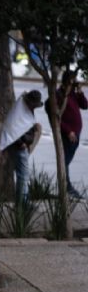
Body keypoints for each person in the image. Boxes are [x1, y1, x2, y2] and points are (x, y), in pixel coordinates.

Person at [0, 90, 43, 203]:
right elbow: (12, 129)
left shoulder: (24, 108)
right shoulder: (21, 110)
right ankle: (23, 204)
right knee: (23, 176)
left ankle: (23, 202)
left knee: (23, 175)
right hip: (19, 147)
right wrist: (21, 143)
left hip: (22, 145)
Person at [57, 70, 87, 198]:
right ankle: (66, 187)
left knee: (66, 161)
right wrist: (68, 131)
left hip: (76, 133)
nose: (75, 82)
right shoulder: (59, 95)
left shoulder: (73, 94)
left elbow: (85, 105)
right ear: (67, 81)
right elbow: (57, 118)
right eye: (73, 80)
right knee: (65, 161)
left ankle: (67, 187)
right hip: (68, 134)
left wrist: (80, 92)